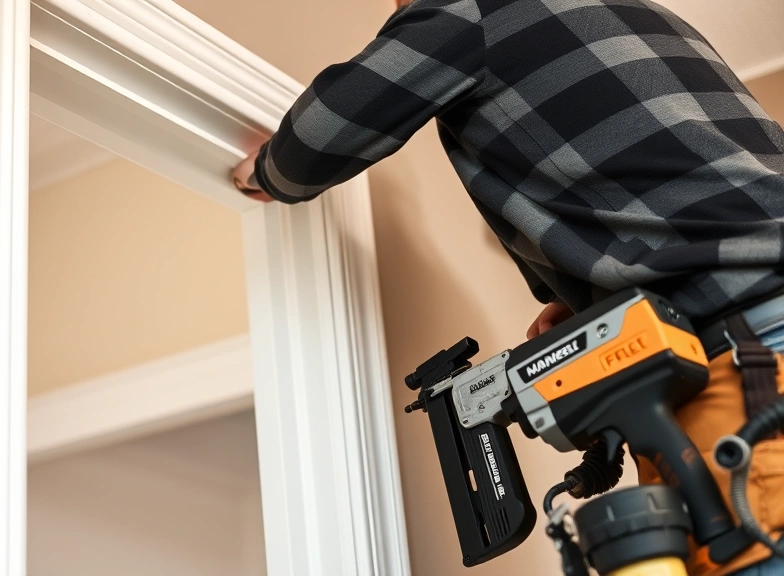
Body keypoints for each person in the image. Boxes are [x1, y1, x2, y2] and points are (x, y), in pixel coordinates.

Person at [230, 1, 784, 574]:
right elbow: (669, 179)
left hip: (746, 353)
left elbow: (316, 141)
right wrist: (586, 301)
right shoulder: (643, 13)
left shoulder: (471, 9)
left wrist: (260, 172)